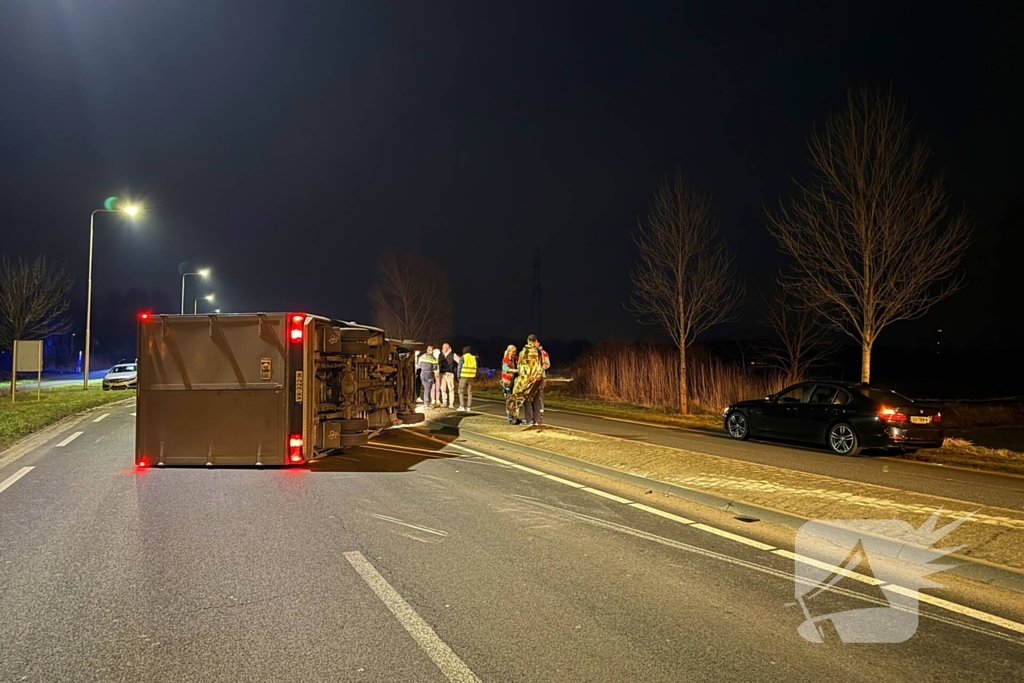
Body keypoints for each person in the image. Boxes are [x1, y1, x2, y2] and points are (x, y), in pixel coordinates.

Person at [507, 334, 545, 425]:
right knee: (536, 401)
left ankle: (529, 420)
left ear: (528, 341)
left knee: (526, 401)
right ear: (535, 341)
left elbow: (520, 367)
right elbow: (541, 364)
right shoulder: (539, 352)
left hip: (527, 380)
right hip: (537, 379)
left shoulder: (523, 352)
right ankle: (536, 420)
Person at [500, 344, 519, 424]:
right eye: (513, 351)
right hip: (508, 384)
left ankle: (514, 417)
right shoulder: (505, 360)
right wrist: (516, 370)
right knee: (509, 401)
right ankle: (510, 419)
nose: (514, 353)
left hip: (514, 383)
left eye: (515, 352)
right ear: (509, 351)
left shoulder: (515, 359)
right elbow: (506, 369)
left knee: (514, 401)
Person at [456, 345, 477, 411]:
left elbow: (459, 367)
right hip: (471, 377)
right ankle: (468, 407)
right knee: (470, 392)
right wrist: (474, 376)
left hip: (463, 376)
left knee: (461, 391)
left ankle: (462, 406)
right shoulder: (473, 358)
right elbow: (476, 368)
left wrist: (458, 376)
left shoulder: (463, 357)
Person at [437, 343, 457, 408]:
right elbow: (437, 363)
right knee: (443, 388)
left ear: (449, 347)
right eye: (443, 347)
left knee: (451, 388)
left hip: (449, 373)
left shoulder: (453, 354)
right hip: (441, 373)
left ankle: (451, 403)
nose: (444, 348)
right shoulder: (440, 355)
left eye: (445, 347)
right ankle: (444, 402)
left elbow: (459, 361)